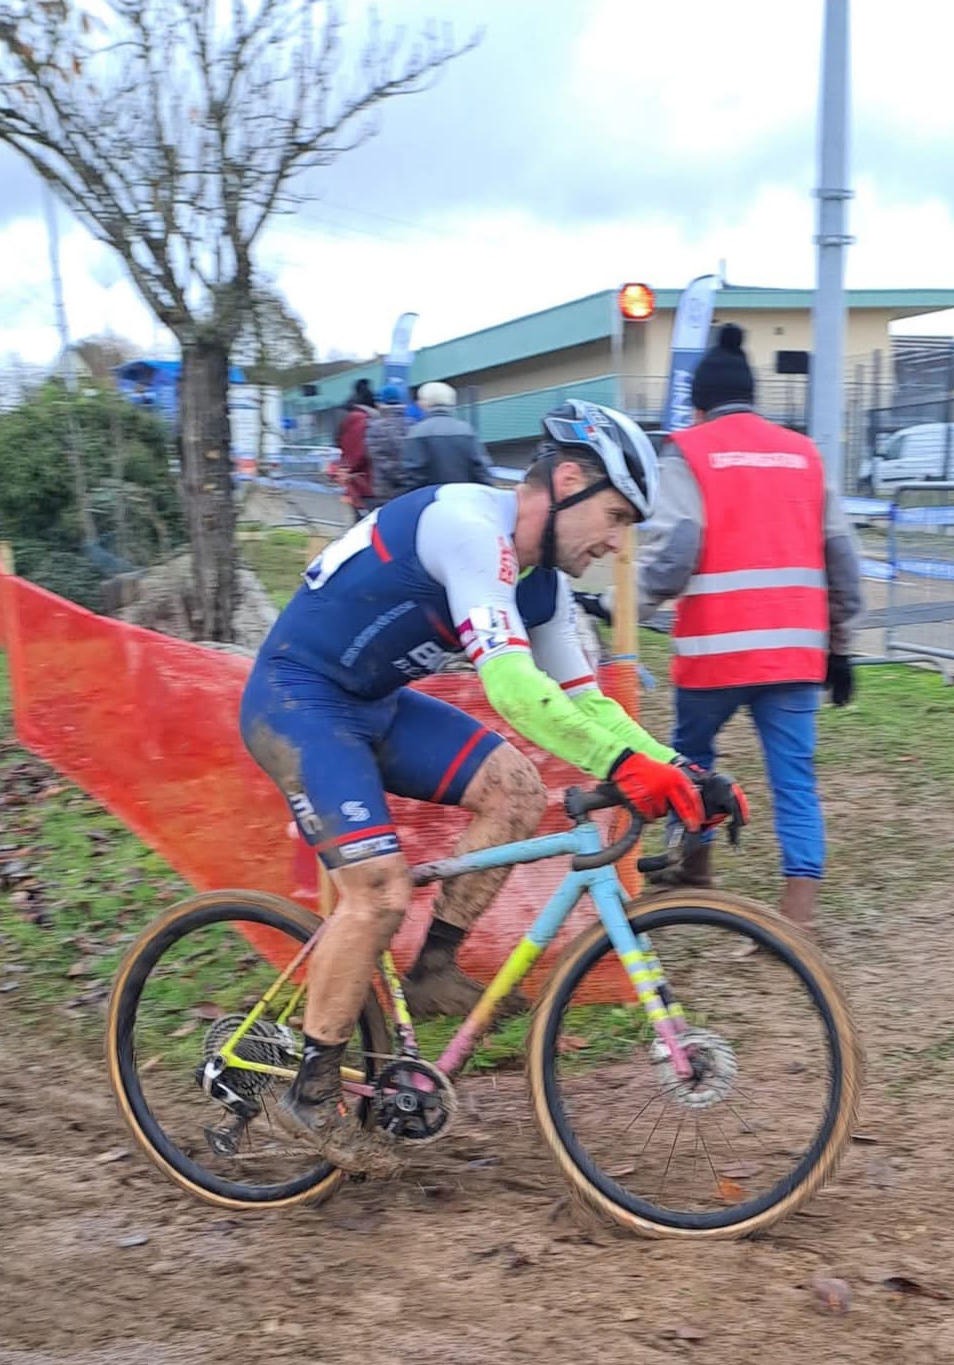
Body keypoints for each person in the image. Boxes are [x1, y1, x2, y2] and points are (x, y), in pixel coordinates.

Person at [240, 400, 747, 1173]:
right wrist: (624, 767)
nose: (616, 543)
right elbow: (512, 688)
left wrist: (680, 769)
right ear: (568, 481)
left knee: (515, 791)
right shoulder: (468, 527)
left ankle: (433, 967)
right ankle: (307, 1092)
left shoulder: (542, 585)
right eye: (615, 516)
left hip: (372, 705)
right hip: (297, 698)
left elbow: (586, 702)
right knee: (378, 891)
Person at [577, 324, 863, 935]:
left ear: (699, 405)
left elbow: (677, 551)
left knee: (693, 762)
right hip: (795, 653)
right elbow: (841, 555)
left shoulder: (690, 450)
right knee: (794, 778)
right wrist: (841, 647)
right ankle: (796, 917)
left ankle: (697, 869)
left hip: (716, 654)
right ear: (753, 398)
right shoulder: (804, 453)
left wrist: (619, 605)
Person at [400, 381, 492, 492]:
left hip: (431, 498)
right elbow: (481, 471)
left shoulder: (416, 432)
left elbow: (412, 477)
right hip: (464, 497)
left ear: (423, 404)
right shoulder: (467, 430)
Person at [332, 385, 376, 514]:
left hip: (355, 485)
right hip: (367, 485)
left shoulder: (348, 421)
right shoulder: (363, 422)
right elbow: (359, 454)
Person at [366, 380, 409, 506]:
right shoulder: (413, 424)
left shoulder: (374, 428)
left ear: (380, 404)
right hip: (411, 488)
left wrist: (398, 477)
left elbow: (378, 457)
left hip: (386, 491)